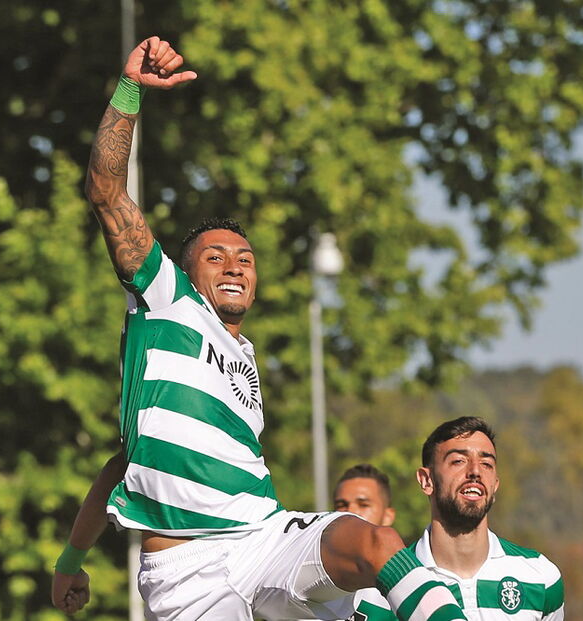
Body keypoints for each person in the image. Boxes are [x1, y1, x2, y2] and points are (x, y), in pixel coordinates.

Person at [50, 35, 471, 621]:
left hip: (264, 537)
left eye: (245, 259)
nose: (234, 264)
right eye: (216, 255)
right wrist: (130, 92)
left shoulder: (243, 363)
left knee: (372, 545)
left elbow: (129, 461)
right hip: (187, 574)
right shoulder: (168, 301)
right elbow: (105, 190)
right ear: (185, 271)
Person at [347, 417, 565, 620]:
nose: (475, 472)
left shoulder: (541, 576)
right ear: (426, 480)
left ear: (495, 485)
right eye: (459, 461)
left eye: (486, 464)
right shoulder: (380, 593)